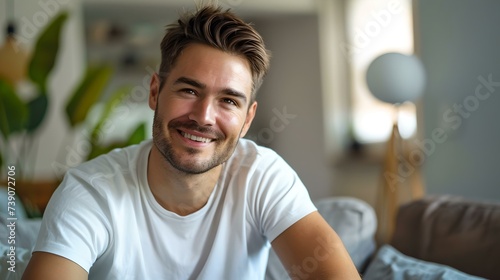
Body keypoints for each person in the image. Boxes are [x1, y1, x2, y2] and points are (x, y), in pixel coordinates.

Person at [22, 4, 360, 280]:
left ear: (247, 119)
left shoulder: (263, 176)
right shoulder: (91, 191)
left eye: (228, 100)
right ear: (155, 92)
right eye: (189, 90)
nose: (204, 117)